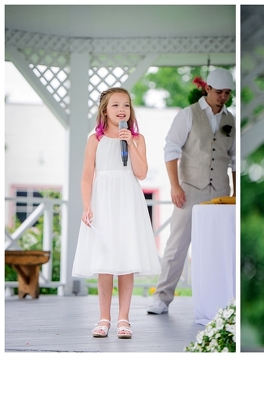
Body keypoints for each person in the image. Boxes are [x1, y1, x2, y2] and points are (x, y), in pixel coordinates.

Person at [72, 87, 160, 339]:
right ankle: (103, 318)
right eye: (115, 105)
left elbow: (141, 173)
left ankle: (124, 318)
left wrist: (130, 142)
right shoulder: (95, 140)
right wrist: (87, 206)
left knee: (126, 260)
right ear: (105, 110)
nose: (122, 109)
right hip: (103, 201)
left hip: (128, 201)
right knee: (105, 262)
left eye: (126, 105)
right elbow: (87, 176)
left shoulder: (137, 139)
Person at [147, 68, 236, 314]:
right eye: (219, 92)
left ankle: (218, 302)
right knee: (177, 244)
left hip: (220, 192)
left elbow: (235, 160)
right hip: (190, 190)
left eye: (227, 92)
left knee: (218, 248)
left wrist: (235, 194)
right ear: (207, 89)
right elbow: (170, 149)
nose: (223, 97)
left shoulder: (232, 120)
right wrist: (175, 185)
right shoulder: (188, 115)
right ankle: (162, 298)